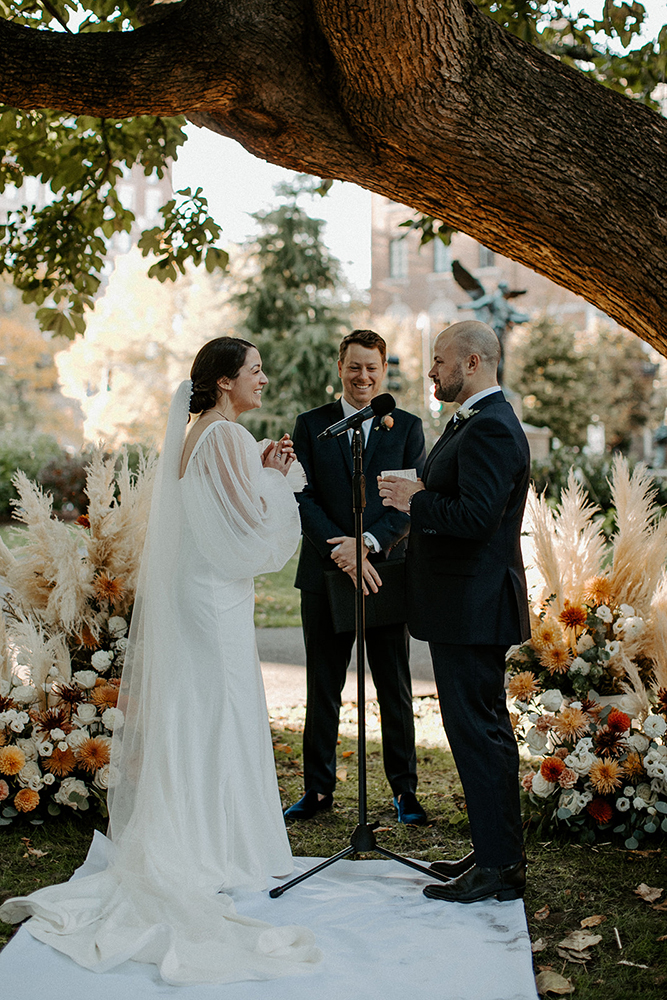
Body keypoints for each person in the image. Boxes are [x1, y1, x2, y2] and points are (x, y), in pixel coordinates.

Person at [0, 337, 321, 984]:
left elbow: (215, 506)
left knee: (201, 714)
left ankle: (201, 838)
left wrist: (256, 466)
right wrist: (284, 480)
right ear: (227, 381)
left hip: (197, 594)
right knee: (222, 712)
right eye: (254, 370)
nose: (263, 378)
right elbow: (247, 531)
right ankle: (218, 852)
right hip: (217, 599)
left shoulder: (200, 432)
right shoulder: (226, 434)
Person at [378, 321, 530, 903]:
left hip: (474, 605)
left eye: (440, 361)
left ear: (472, 363)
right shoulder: (477, 420)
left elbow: (475, 518)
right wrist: (419, 492)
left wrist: (417, 500)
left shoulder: (491, 426)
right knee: (480, 732)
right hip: (464, 605)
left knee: (478, 733)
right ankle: (495, 852)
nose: (431, 372)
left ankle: (500, 868)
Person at [284, 329, 427, 824]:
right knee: (323, 685)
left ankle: (404, 790)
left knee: (394, 684)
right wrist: (342, 550)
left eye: (372, 368)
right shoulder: (311, 425)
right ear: (339, 368)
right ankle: (318, 791)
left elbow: (411, 507)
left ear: (383, 370)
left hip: (384, 572)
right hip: (325, 573)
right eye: (354, 367)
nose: (362, 376)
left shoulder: (405, 427)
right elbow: (300, 497)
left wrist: (366, 545)